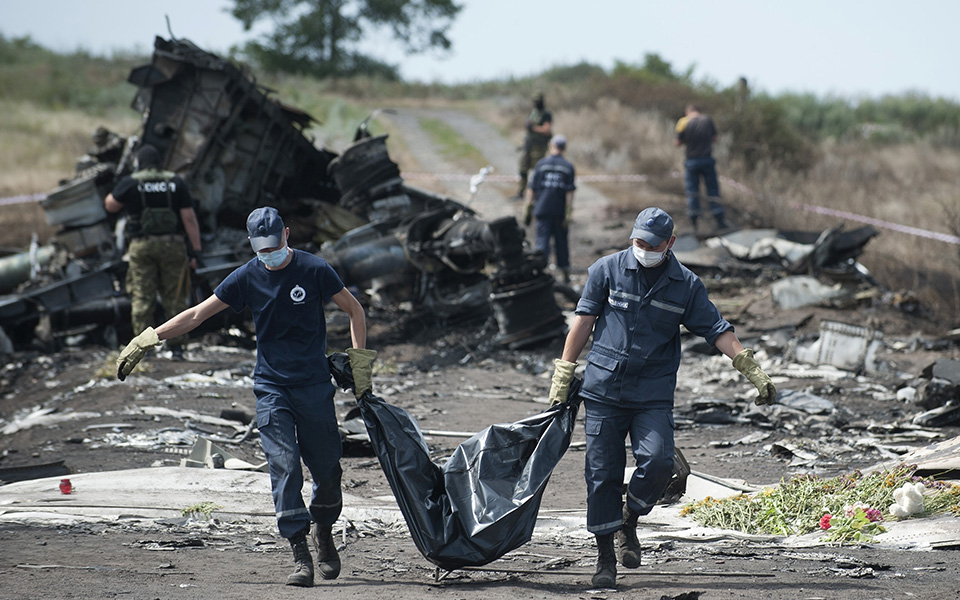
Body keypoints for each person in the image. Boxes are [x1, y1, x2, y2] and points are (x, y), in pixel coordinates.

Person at [114, 206, 375, 588]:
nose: (268, 254)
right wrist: (150, 336)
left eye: (274, 245)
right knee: (284, 465)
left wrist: (361, 364)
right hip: (271, 387)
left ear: (286, 235)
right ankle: (300, 552)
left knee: (328, 468)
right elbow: (198, 314)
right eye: (261, 249)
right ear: (252, 245)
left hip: (314, 386)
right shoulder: (247, 277)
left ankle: (323, 530)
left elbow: (354, 310)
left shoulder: (315, 269)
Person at [547, 207, 776, 589]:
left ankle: (629, 521)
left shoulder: (685, 285)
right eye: (638, 241)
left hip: (652, 393)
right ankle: (605, 558)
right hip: (603, 389)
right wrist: (564, 372)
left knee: (656, 463)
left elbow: (716, 329)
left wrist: (749, 368)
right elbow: (584, 321)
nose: (643, 249)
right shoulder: (606, 270)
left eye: (652, 244)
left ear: (669, 244)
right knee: (601, 474)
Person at [104, 144, 202, 356]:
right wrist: (195, 251)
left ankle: (143, 349)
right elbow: (189, 218)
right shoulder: (175, 182)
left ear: (139, 162)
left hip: (142, 246)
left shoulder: (131, 182)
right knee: (175, 296)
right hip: (173, 245)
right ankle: (177, 348)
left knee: (142, 296)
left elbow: (110, 205)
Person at [523, 134, 576, 283]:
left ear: (551, 146)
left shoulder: (541, 164)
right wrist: (568, 212)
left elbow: (531, 188)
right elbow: (569, 192)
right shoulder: (568, 166)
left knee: (542, 243)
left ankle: (540, 274)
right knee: (561, 243)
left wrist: (527, 208)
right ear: (564, 148)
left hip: (542, 210)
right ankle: (565, 275)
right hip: (559, 211)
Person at [675, 105, 728, 232]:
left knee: (692, 191)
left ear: (688, 112)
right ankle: (719, 221)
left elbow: (677, 143)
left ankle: (694, 224)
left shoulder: (683, 122)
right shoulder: (707, 120)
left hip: (692, 161)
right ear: (699, 111)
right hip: (707, 159)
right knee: (713, 190)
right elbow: (715, 138)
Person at [513, 92, 553, 200]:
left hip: (539, 147)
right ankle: (521, 192)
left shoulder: (546, 114)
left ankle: (538, 194)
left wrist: (533, 127)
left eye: (538, 100)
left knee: (538, 171)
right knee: (523, 168)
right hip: (529, 146)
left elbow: (546, 130)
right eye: (535, 101)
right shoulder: (533, 112)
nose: (536, 103)